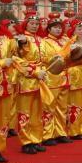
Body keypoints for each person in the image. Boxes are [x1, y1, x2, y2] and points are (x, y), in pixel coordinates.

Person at [16, 9, 47, 154]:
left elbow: (45, 58)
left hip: (40, 80)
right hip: (27, 81)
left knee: (37, 112)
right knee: (24, 112)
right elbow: (18, 61)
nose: (34, 26)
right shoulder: (21, 40)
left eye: (36, 23)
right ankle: (26, 141)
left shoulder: (41, 40)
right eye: (32, 23)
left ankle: (36, 139)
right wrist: (34, 72)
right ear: (26, 24)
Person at [39, 14, 73, 146]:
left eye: (60, 27)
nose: (59, 30)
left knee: (62, 107)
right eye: (55, 28)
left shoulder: (65, 41)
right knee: (49, 107)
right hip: (52, 77)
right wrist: (59, 56)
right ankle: (47, 135)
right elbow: (45, 58)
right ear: (49, 29)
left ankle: (61, 133)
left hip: (64, 77)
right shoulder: (45, 42)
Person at [0, 19, 16, 162]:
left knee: (2, 120)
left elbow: (15, 56)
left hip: (4, 86)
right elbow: (4, 62)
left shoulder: (5, 40)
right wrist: (2, 63)